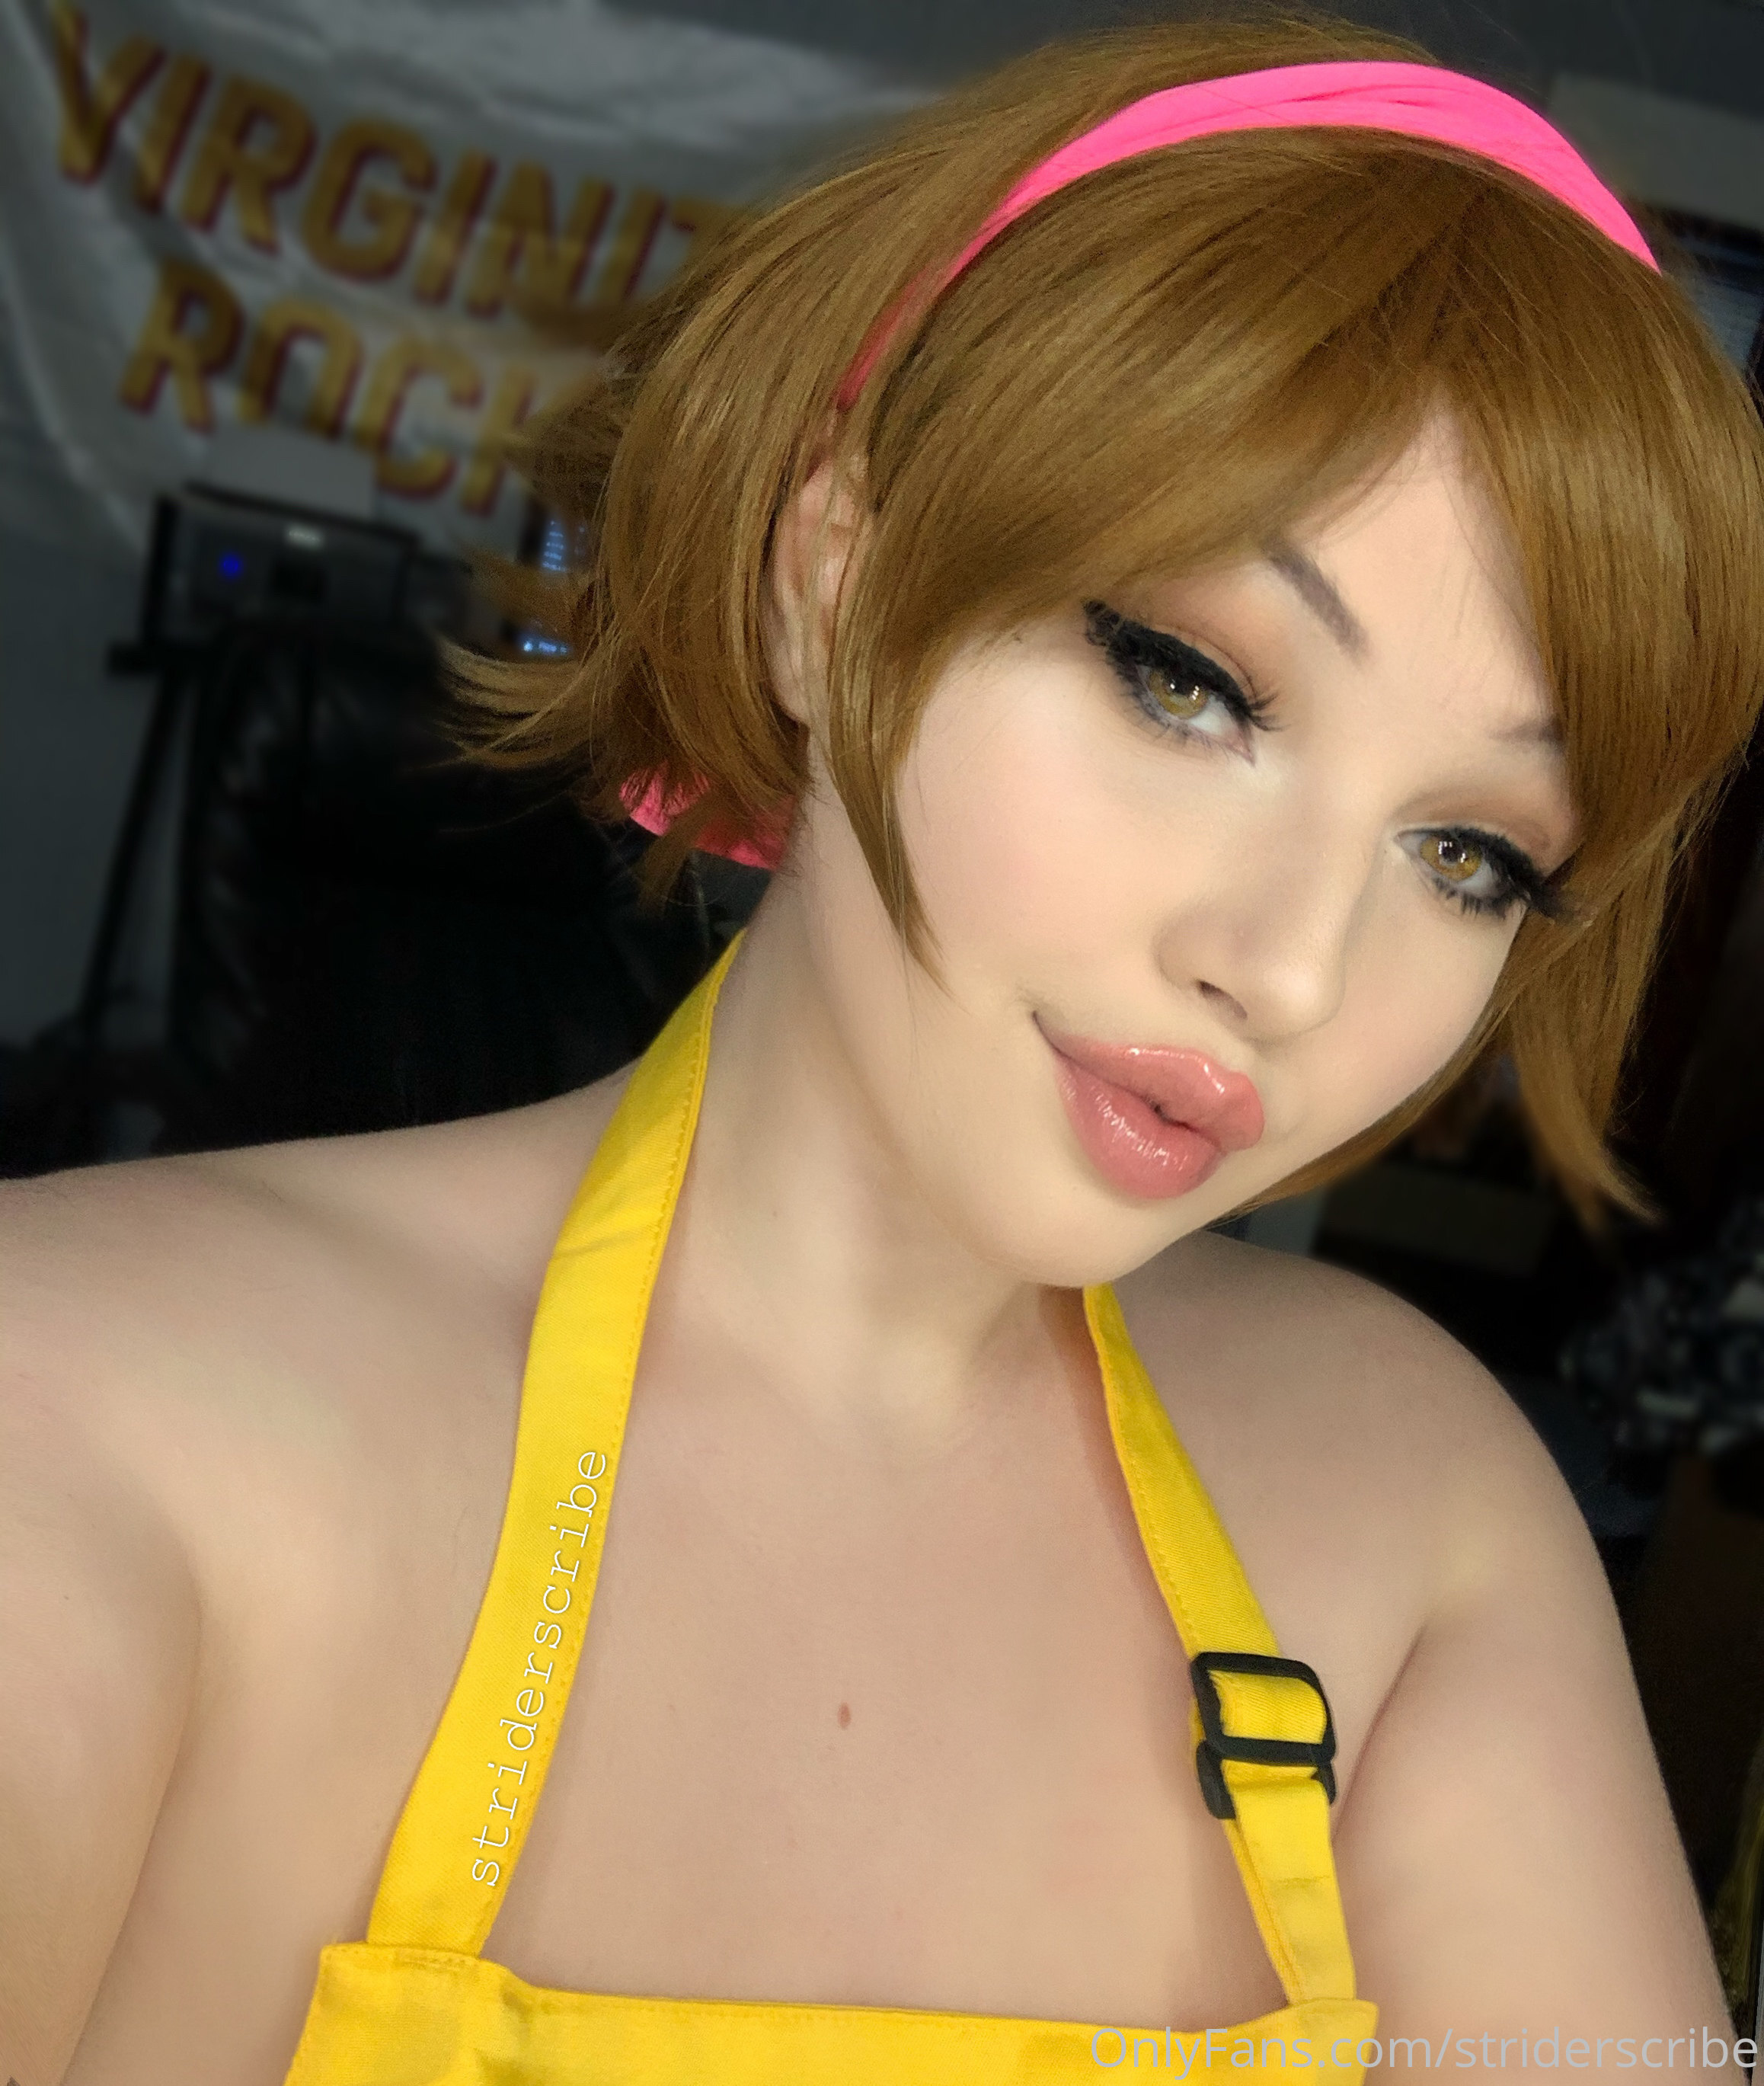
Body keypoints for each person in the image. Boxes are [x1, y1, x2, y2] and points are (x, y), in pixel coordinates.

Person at [5, 15, 1762, 2085]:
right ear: (829, 577)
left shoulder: (1426, 1519)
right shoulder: (87, 1424)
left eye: (1468, 854)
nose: (1290, 970)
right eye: (1187, 681)